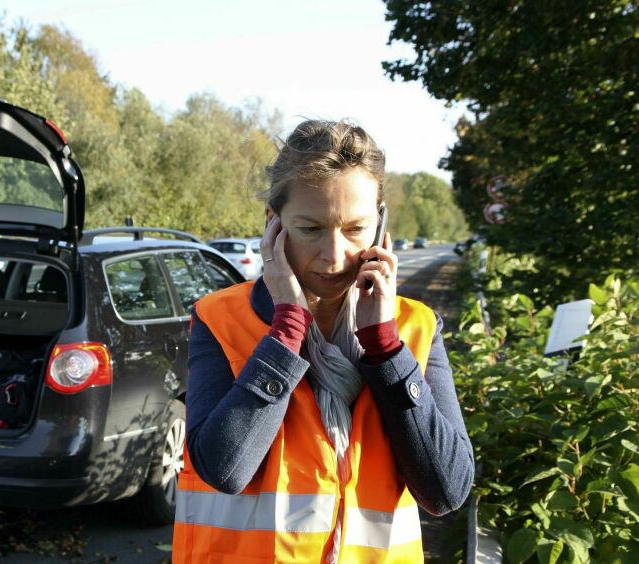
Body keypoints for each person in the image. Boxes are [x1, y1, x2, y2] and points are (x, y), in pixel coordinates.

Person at [173, 120, 474, 563]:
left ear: (381, 225)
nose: (334, 256)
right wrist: (286, 330)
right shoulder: (220, 319)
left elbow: (446, 491)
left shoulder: (415, 328)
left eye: (355, 229)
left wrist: (387, 350)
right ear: (274, 224)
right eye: (310, 229)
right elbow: (225, 470)